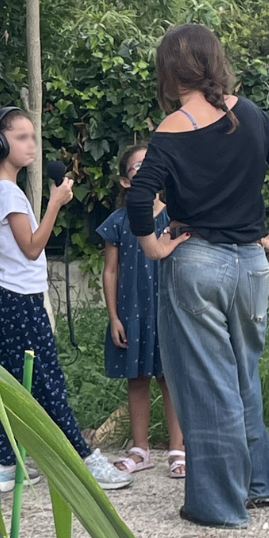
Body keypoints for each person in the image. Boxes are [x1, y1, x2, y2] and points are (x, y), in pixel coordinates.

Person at [124, 25, 269, 529]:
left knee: (209, 386)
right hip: (251, 265)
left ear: (168, 70)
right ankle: (264, 484)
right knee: (243, 376)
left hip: (197, 262)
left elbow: (139, 199)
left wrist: (153, 245)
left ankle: (218, 506)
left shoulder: (173, 127)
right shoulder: (246, 112)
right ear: (213, 61)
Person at [0, 106, 128, 493]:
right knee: (48, 381)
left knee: (8, 381)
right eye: (23, 137)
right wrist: (55, 204)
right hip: (22, 299)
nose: (32, 145)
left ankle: (4, 465)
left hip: (9, 294)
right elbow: (31, 248)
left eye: (33, 137)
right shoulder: (7, 192)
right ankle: (83, 458)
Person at [97, 143, 185, 478]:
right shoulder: (118, 222)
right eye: (138, 168)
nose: (146, 172)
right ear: (125, 182)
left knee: (171, 379)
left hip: (168, 311)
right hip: (131, 314)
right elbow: (110, 271)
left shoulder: (174, 217)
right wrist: (114, 317)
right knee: (137, 379)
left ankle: (178, 450)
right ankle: (140, 450)